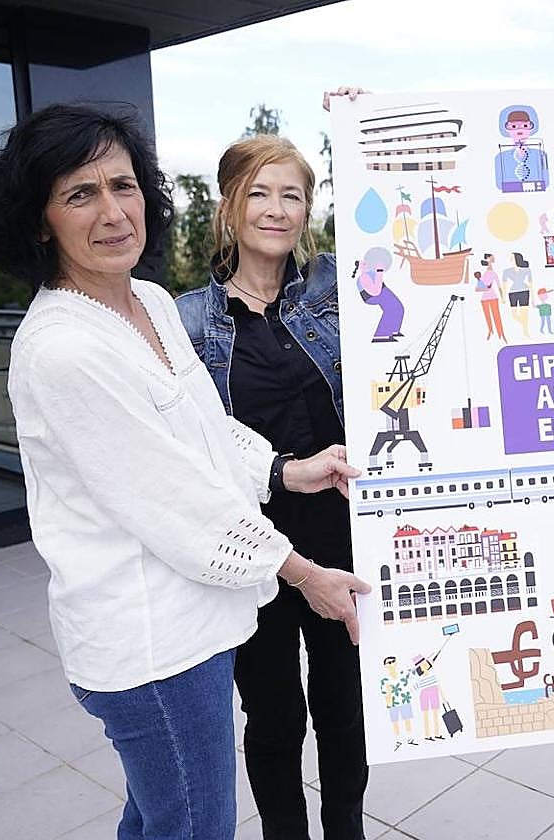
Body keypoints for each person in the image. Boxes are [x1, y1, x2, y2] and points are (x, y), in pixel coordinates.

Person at [0, 103, 370, 840]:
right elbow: (176, 500)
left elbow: (202, 433)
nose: (114, 212)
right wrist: (303, 571)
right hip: (151, 647)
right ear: (38, 220)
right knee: (192, 824)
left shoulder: (146, 303)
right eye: (79, 194)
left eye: (122, 185)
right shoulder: (66, 350)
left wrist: (286, 472)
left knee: (163, 816)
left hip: (199, 620)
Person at [175, 129, 371, 840]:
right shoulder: (188, 320)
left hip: (342, 537)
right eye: (259, 192)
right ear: (228, 207)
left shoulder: (335, 292)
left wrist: (363, 131)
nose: (276, 209)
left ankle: (345, 829)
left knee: (344, 709)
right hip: (251, 553)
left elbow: (418, 254)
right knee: (275, 714)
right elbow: (193, 453)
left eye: (292, 194)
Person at [355, 245, 404, 342]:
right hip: (372, 296)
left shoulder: (371, 273)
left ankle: (393, 330)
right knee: (391, 309)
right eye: (364, 264)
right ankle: (382, 334)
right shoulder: (364, 277)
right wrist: (379, 272)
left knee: (399, 307)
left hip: (382, 293)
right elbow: (375, 291)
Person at [502, 251, 533, 337]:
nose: (510, 259)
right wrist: (503, 297)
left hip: (524, 291)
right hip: (513, 293)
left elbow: (531, 284)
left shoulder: (527, 270)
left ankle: (525, 331)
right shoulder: (506, 271)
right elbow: (504, 284)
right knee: (514, 315)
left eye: (512, 257)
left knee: (524, 313)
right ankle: (525, 326)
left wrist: (533, 299)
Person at [477, 252, 506, 341]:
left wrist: (502, 298)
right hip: (485, 298)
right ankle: (490, 331)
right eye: (492, 258)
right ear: (488, 259)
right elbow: (477, 288)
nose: (493, 259)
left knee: (496, 316)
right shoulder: (484, 274)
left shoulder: (493, 273)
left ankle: (501, 333)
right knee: (488, 316)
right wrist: (486, 288)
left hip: (493, 297)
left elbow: (499, 286)